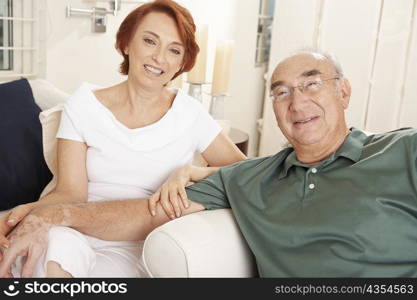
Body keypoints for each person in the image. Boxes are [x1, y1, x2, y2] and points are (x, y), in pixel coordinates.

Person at [2, 49, 417, 278]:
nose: (297, 102)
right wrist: (51, 215)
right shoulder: (254, 177)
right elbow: (148, 212)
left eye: (312, 83)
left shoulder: (403, 151)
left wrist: (192, 168)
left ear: (343, 92)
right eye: (281, 92)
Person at [0, 0, 245, 278]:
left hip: (138, 242)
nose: (159, 58)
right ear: (127, 43)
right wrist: (11, 220)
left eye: (174, 50)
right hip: (75, 227)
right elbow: (71, 193)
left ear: (181, 62)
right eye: (150, 41)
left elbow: (247, 174)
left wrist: (189, 172)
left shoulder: (190, 114)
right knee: (50, 258)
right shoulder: (84, 104)